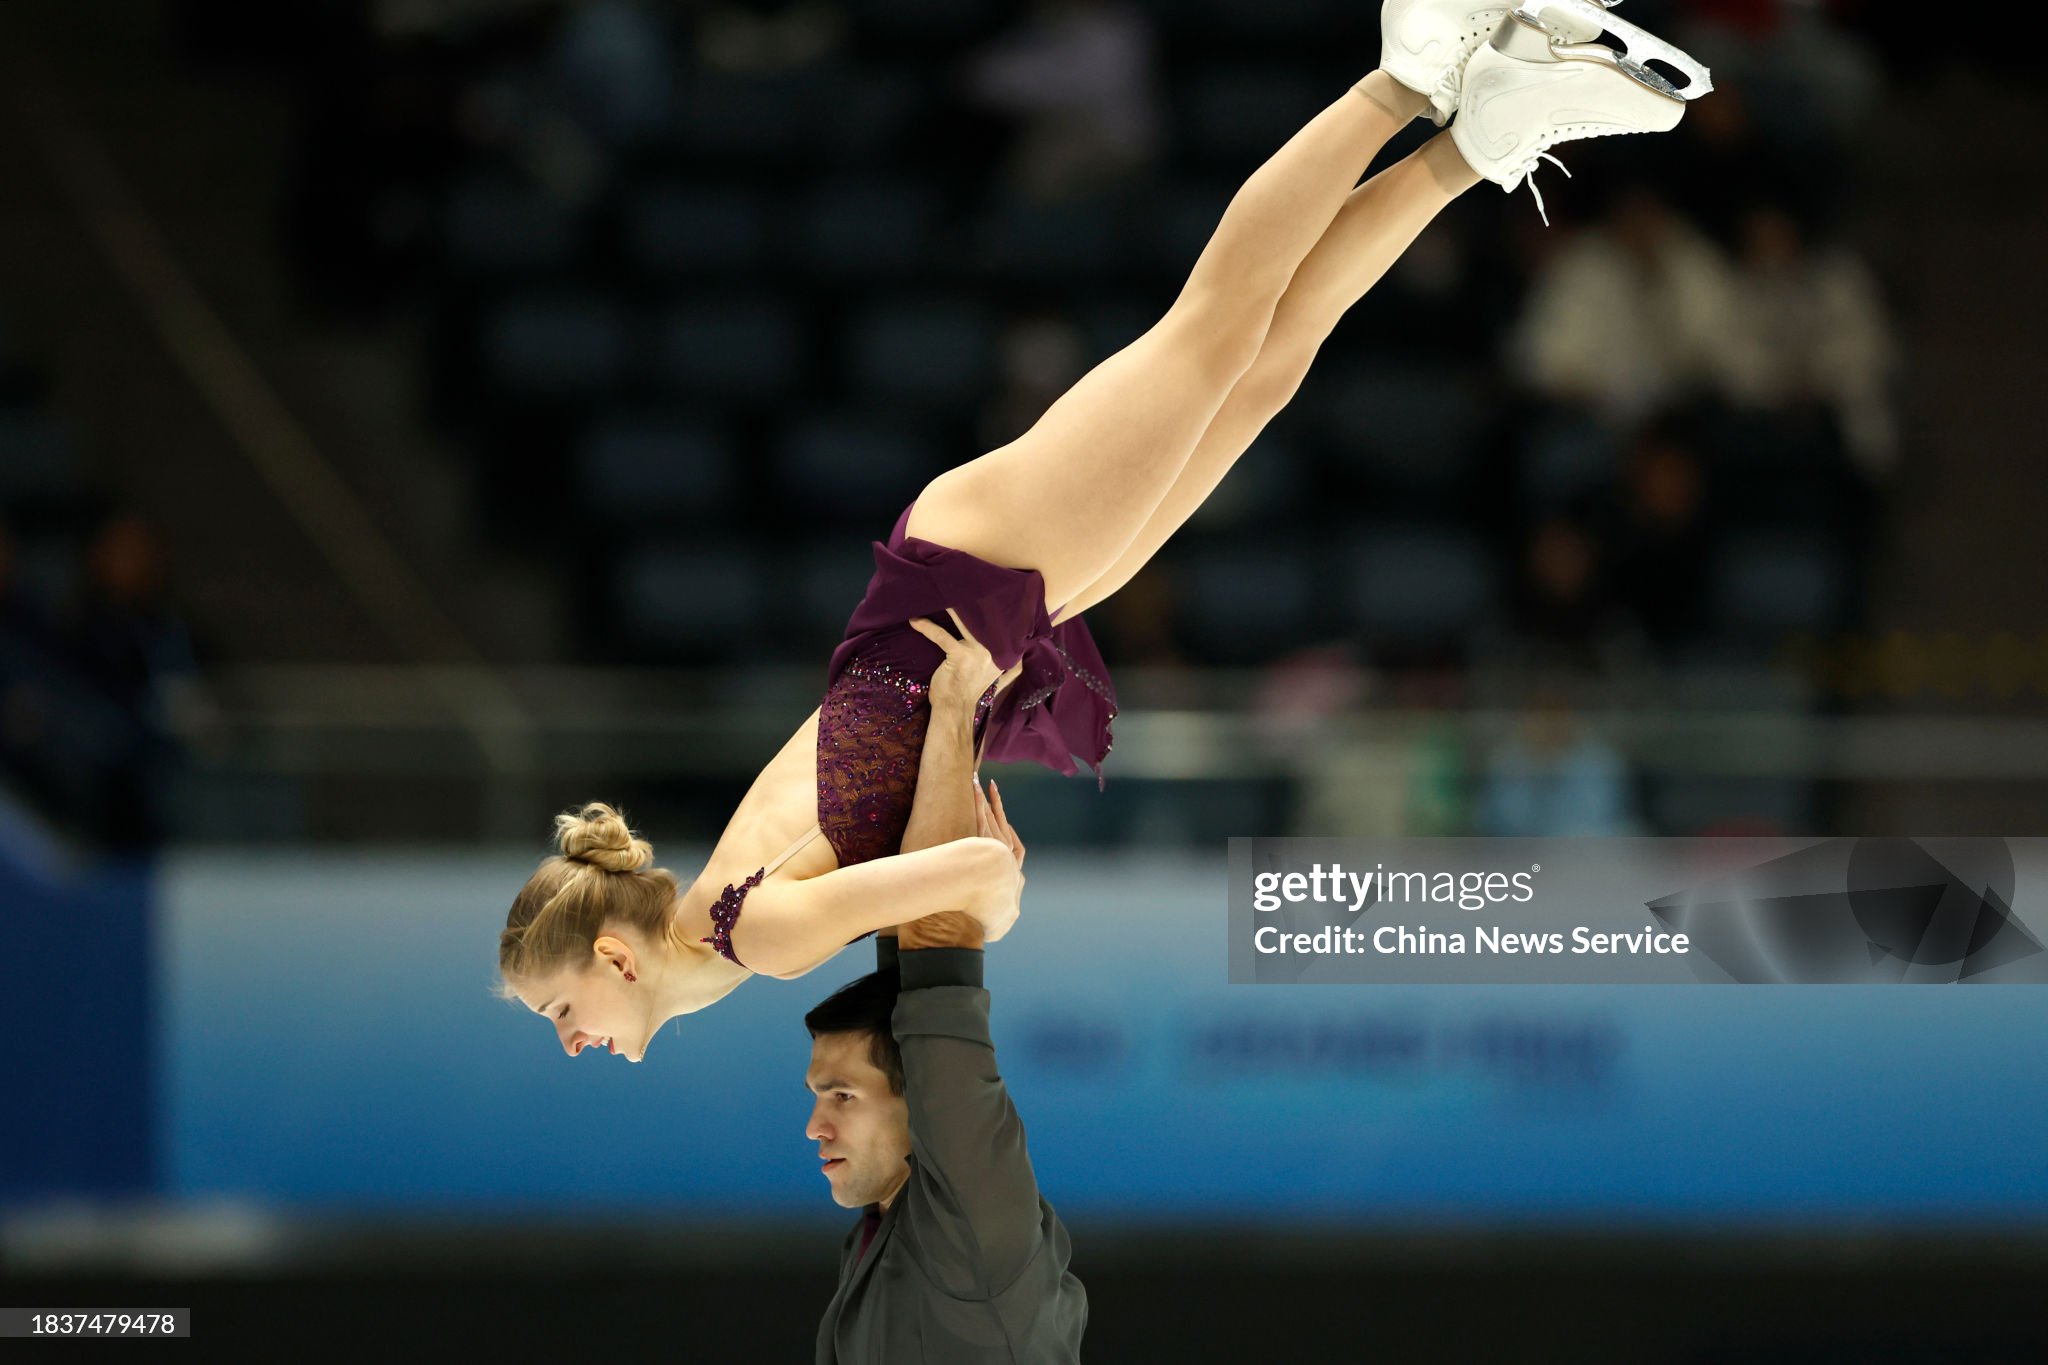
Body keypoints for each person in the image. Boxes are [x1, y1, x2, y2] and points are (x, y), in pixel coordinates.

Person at [496, 0, 1715, 1047]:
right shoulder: (727, 917)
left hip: (967, 581)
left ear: (611, 959)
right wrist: (956, 804)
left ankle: (1402, 75)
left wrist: (979, 884)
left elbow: (974, 877)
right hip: (979, 614)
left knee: (1212, 331)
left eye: (559, 1012)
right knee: (1260, 369)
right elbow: (917, 820)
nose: (571, 1041)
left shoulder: (753, 936)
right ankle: (1477, 136)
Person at [803, 786, 1082, 1363]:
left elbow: (934, 953)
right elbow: (910, 950)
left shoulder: (968, 1227)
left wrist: (951, 730)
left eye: (843, 1096)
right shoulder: (881, 1233)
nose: (814, 1128)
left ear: (925, 1099)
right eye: (822, 1097)